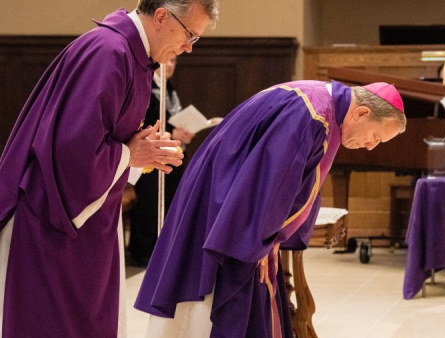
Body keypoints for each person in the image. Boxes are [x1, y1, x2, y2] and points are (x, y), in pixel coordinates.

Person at [0, 1, 218, 337]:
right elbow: (69, 154)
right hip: (48, 219)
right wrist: (130, 155)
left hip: (84, 218)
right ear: (161, 16)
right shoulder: (109, 53)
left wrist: (138, 151)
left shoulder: (135, 59)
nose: (188, 48)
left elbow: (104, 138)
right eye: (190, 35)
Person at [135, 79, 407, 337]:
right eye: (375, 136)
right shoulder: (313, 114)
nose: (371, 146)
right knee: (222, 299)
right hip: (232, 215)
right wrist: (259, 242)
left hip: (225, 198)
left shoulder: (318, 102)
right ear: (361, 112)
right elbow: (271, 180)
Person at [128, 55, 196, 267]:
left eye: (175, 62)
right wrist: (171, 130)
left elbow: (174, 115)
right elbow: (146, 120)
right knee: (149, 201)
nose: (170, 66)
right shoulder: (146, 86)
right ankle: (142, 250)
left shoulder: (170, 88)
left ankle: (162, 247)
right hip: (149, 150)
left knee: (169, 200)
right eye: (168, 61)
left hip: (170, 149)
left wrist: (183, 132)